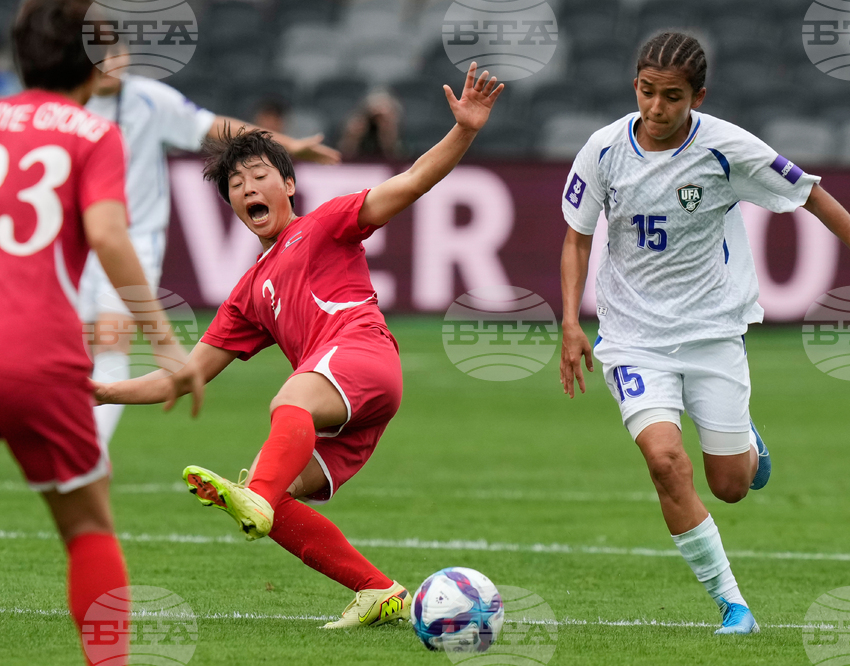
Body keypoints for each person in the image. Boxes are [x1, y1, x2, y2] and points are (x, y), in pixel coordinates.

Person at [94, 63, 503, 628]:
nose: (247, 189)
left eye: (258, 176)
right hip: (345, 404)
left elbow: (410, 182)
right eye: (236, 186)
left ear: (289, 184)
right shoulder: (246, 294)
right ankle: (377, 591)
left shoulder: (327, 223)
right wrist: (102, 391)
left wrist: (465, 130)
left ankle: (255, 495)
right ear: (232, 207)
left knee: (284, 412)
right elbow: (182, 376)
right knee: (280, 495)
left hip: (362, 355)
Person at [558, 32, 850, 634]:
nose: (656, 108)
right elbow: (577, 235)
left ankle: (747, 444)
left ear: (697, 98)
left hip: (711, 332)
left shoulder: (729, 149)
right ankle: (734, 605)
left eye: (671, 97)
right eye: (647, 92)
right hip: (631, 337)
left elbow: (813, 196)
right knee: (664, 461)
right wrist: (572, 321)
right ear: (635, 87)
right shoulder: (602, 151)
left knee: (729, 485)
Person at [0, 1, 201, 664]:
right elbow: (110, 234)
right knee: (88, 528)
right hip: (34, 354)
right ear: (92, 66)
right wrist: (166, 342)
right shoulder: (92, 132)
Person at [80, 59, 341, 450]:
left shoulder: (150, 99)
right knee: (71, 345)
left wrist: (289, 145)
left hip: (134, 239)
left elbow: (217, 127)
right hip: (75, 238)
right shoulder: (67, 104)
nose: (109, 62)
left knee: (111, 339)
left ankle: (91, 448)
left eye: (115, 50)